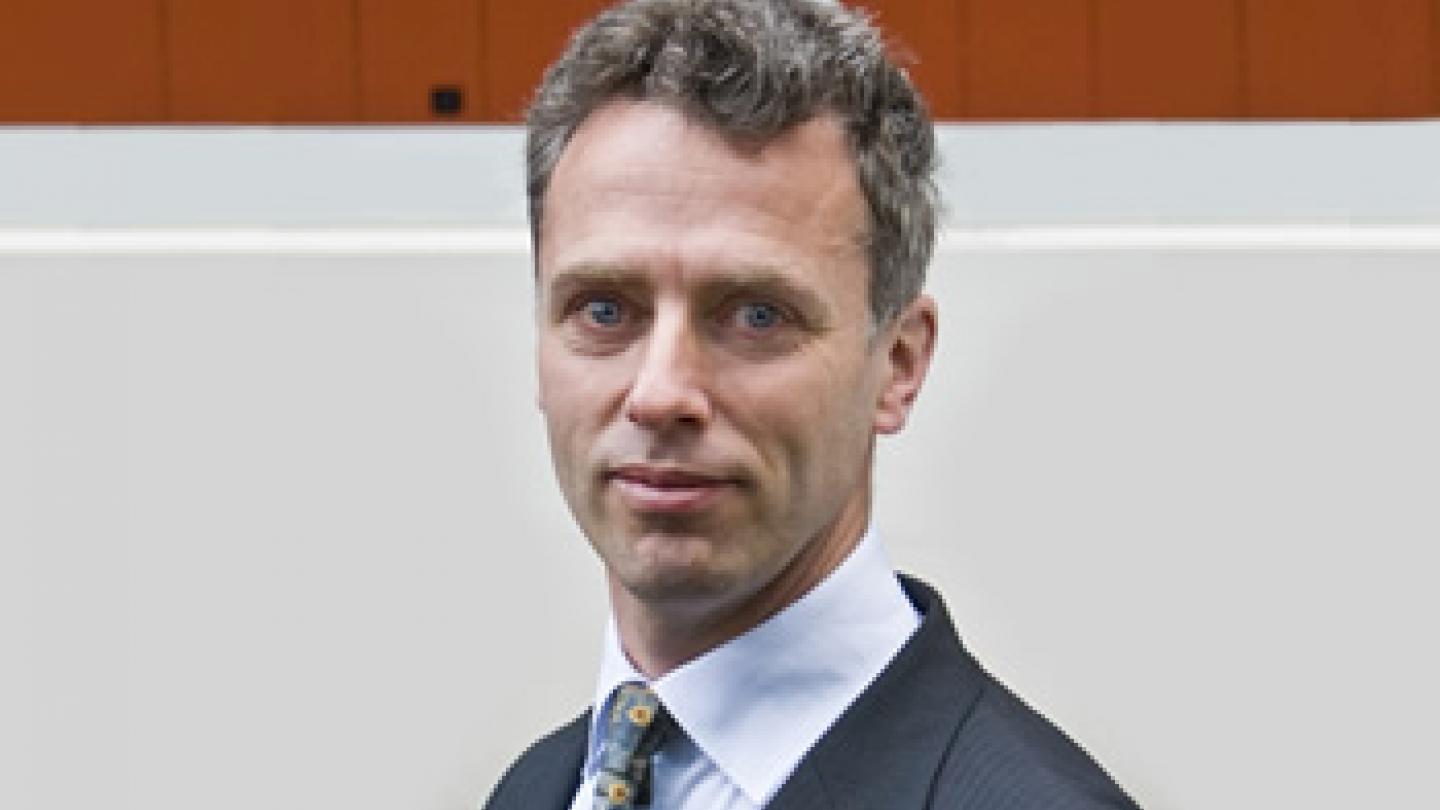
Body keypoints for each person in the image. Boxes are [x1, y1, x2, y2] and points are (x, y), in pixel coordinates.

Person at [485, 1, 1140, 808]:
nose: (660, 393)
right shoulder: (538, 790)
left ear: (898, 365)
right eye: (603, 310)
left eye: (756, 316)